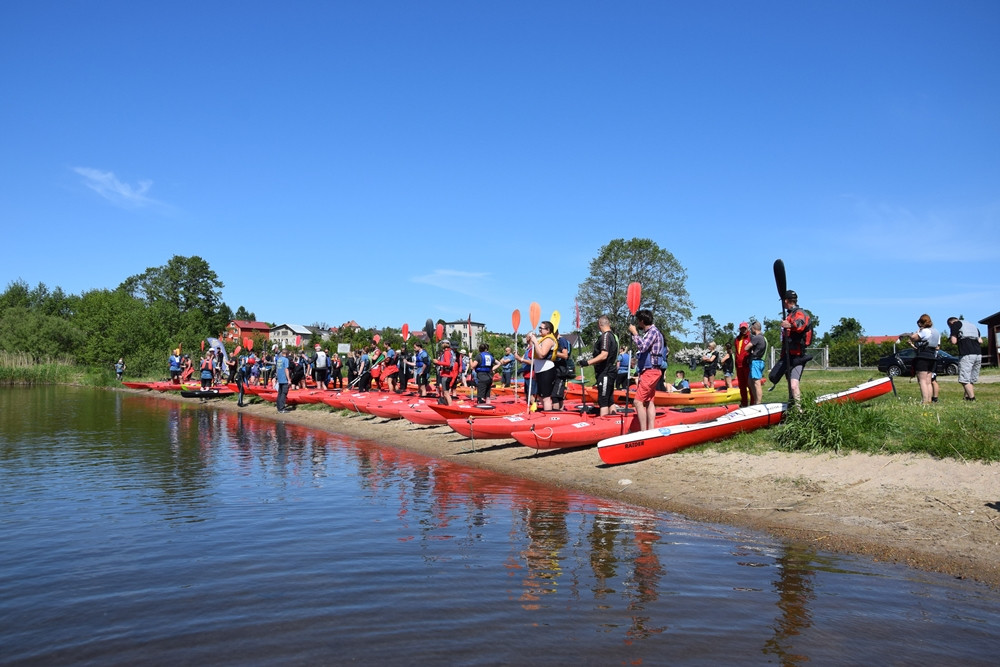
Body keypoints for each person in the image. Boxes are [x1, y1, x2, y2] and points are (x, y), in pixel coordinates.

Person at [771, 290, 811, 406]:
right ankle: (792, 406)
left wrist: (789, 325)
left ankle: (799, 411)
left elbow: (800, 325)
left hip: (798, 356)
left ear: (786, 301)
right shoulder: (789, 315)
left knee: (794, 385)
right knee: (788, 384)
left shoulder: (799, 313)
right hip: (788, 355)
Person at [629, 309, 666, 431]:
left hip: (650, 372)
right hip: (651, 371)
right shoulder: (652, 332)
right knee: (649, 401)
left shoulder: (652, 332)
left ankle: (644, 432)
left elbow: (643, 346)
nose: (638, 324)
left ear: (642, 321)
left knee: (638, 402)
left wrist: (635, 333)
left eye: (638, 321)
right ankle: (651, 430)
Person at [581, 315, 619, 416]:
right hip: (609, 370)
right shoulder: (613, 336)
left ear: (600, 325)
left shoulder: (606, 336)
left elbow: (604, 355)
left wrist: (587, 362)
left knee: (603, 400)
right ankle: (613, 420)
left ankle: (604, 422)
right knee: (609, 399)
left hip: (606, 371)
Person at [524, 320, 558, 411]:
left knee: (546, 397)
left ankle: (548, 416)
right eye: (539, 328)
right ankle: (544, 413)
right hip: (540, 370)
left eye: (541, 328)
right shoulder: (542, 339)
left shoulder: (548, 340)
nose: (539, 330)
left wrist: (535, 341)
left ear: (548, 330)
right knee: (540, 396)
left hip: (546, 370)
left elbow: (542, 354)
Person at [948, 316, 983, 401]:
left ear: (951, 323)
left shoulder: (955, 325)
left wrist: (951, 339)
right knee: (971, 379)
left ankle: (972, 399)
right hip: (978, 354)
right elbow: (980, 341)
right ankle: (966, 398)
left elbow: (953, 341)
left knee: (964, 379)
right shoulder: (972, 326)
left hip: (966, 354)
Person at [909, 314, 940, 405]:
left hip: (923, 356)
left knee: (922, 380)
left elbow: (913, 338)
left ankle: (925, 401)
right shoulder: (936, 332)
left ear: (921, 323)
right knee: (928, 381)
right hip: (932, 356)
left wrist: (919, 330)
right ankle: (929, 400)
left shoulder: (925, 331)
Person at [733, 322, 752, 406]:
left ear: (747, 328)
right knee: (741, 385)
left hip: (747, 364)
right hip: (739, 365)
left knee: (750, 384)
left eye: (745, 328)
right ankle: (744, 402)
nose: (743, 330)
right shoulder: (737, 339)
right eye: (742, 328)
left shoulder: (751, 337)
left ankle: (753, 402)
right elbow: (737, 351)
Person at [749, 321, 767, 405]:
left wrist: (751, 349)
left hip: (756, 361)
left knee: (756, 383)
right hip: (760, 361)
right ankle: (755, 400)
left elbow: (746, 347)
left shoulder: (757, 337)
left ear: (754, 328)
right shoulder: (764, 338)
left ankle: (758, 403)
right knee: (750, 381)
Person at [433, 340, 456, 405]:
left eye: (442, 343)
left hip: (446, 375)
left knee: (446, 393)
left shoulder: (447, 352)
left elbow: (448, 363)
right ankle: (446, 405)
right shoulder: (450, 352)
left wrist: (437, 362)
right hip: (448, 374)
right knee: (444, 392)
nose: (441, 345)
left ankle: (450, 407)